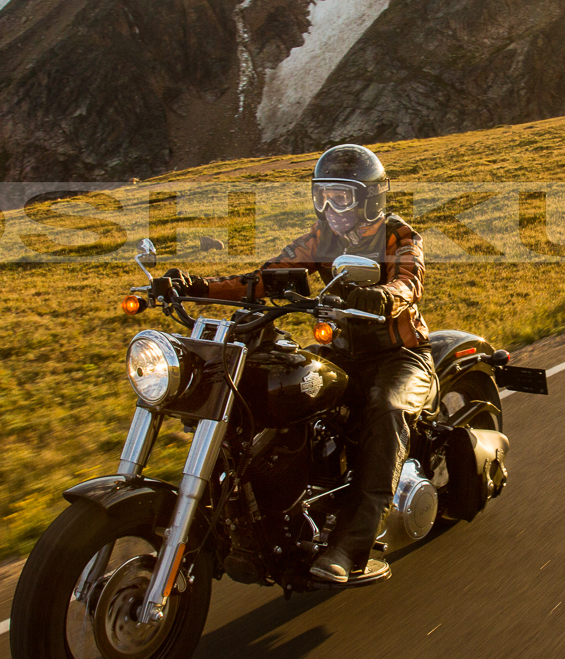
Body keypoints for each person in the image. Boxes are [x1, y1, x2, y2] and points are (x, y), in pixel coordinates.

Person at [167, 144, 435, 583]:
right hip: (343, 354)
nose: (330, 206)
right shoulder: (321, 238)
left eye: (341, 196)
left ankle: (351, 546)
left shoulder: (398, 235)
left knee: (386, 411)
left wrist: (381, 295)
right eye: (323, 195)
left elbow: (409, 283)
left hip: (399, 357)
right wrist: (193, 287)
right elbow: (264, 278)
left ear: (370, 197)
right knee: (285, 392)